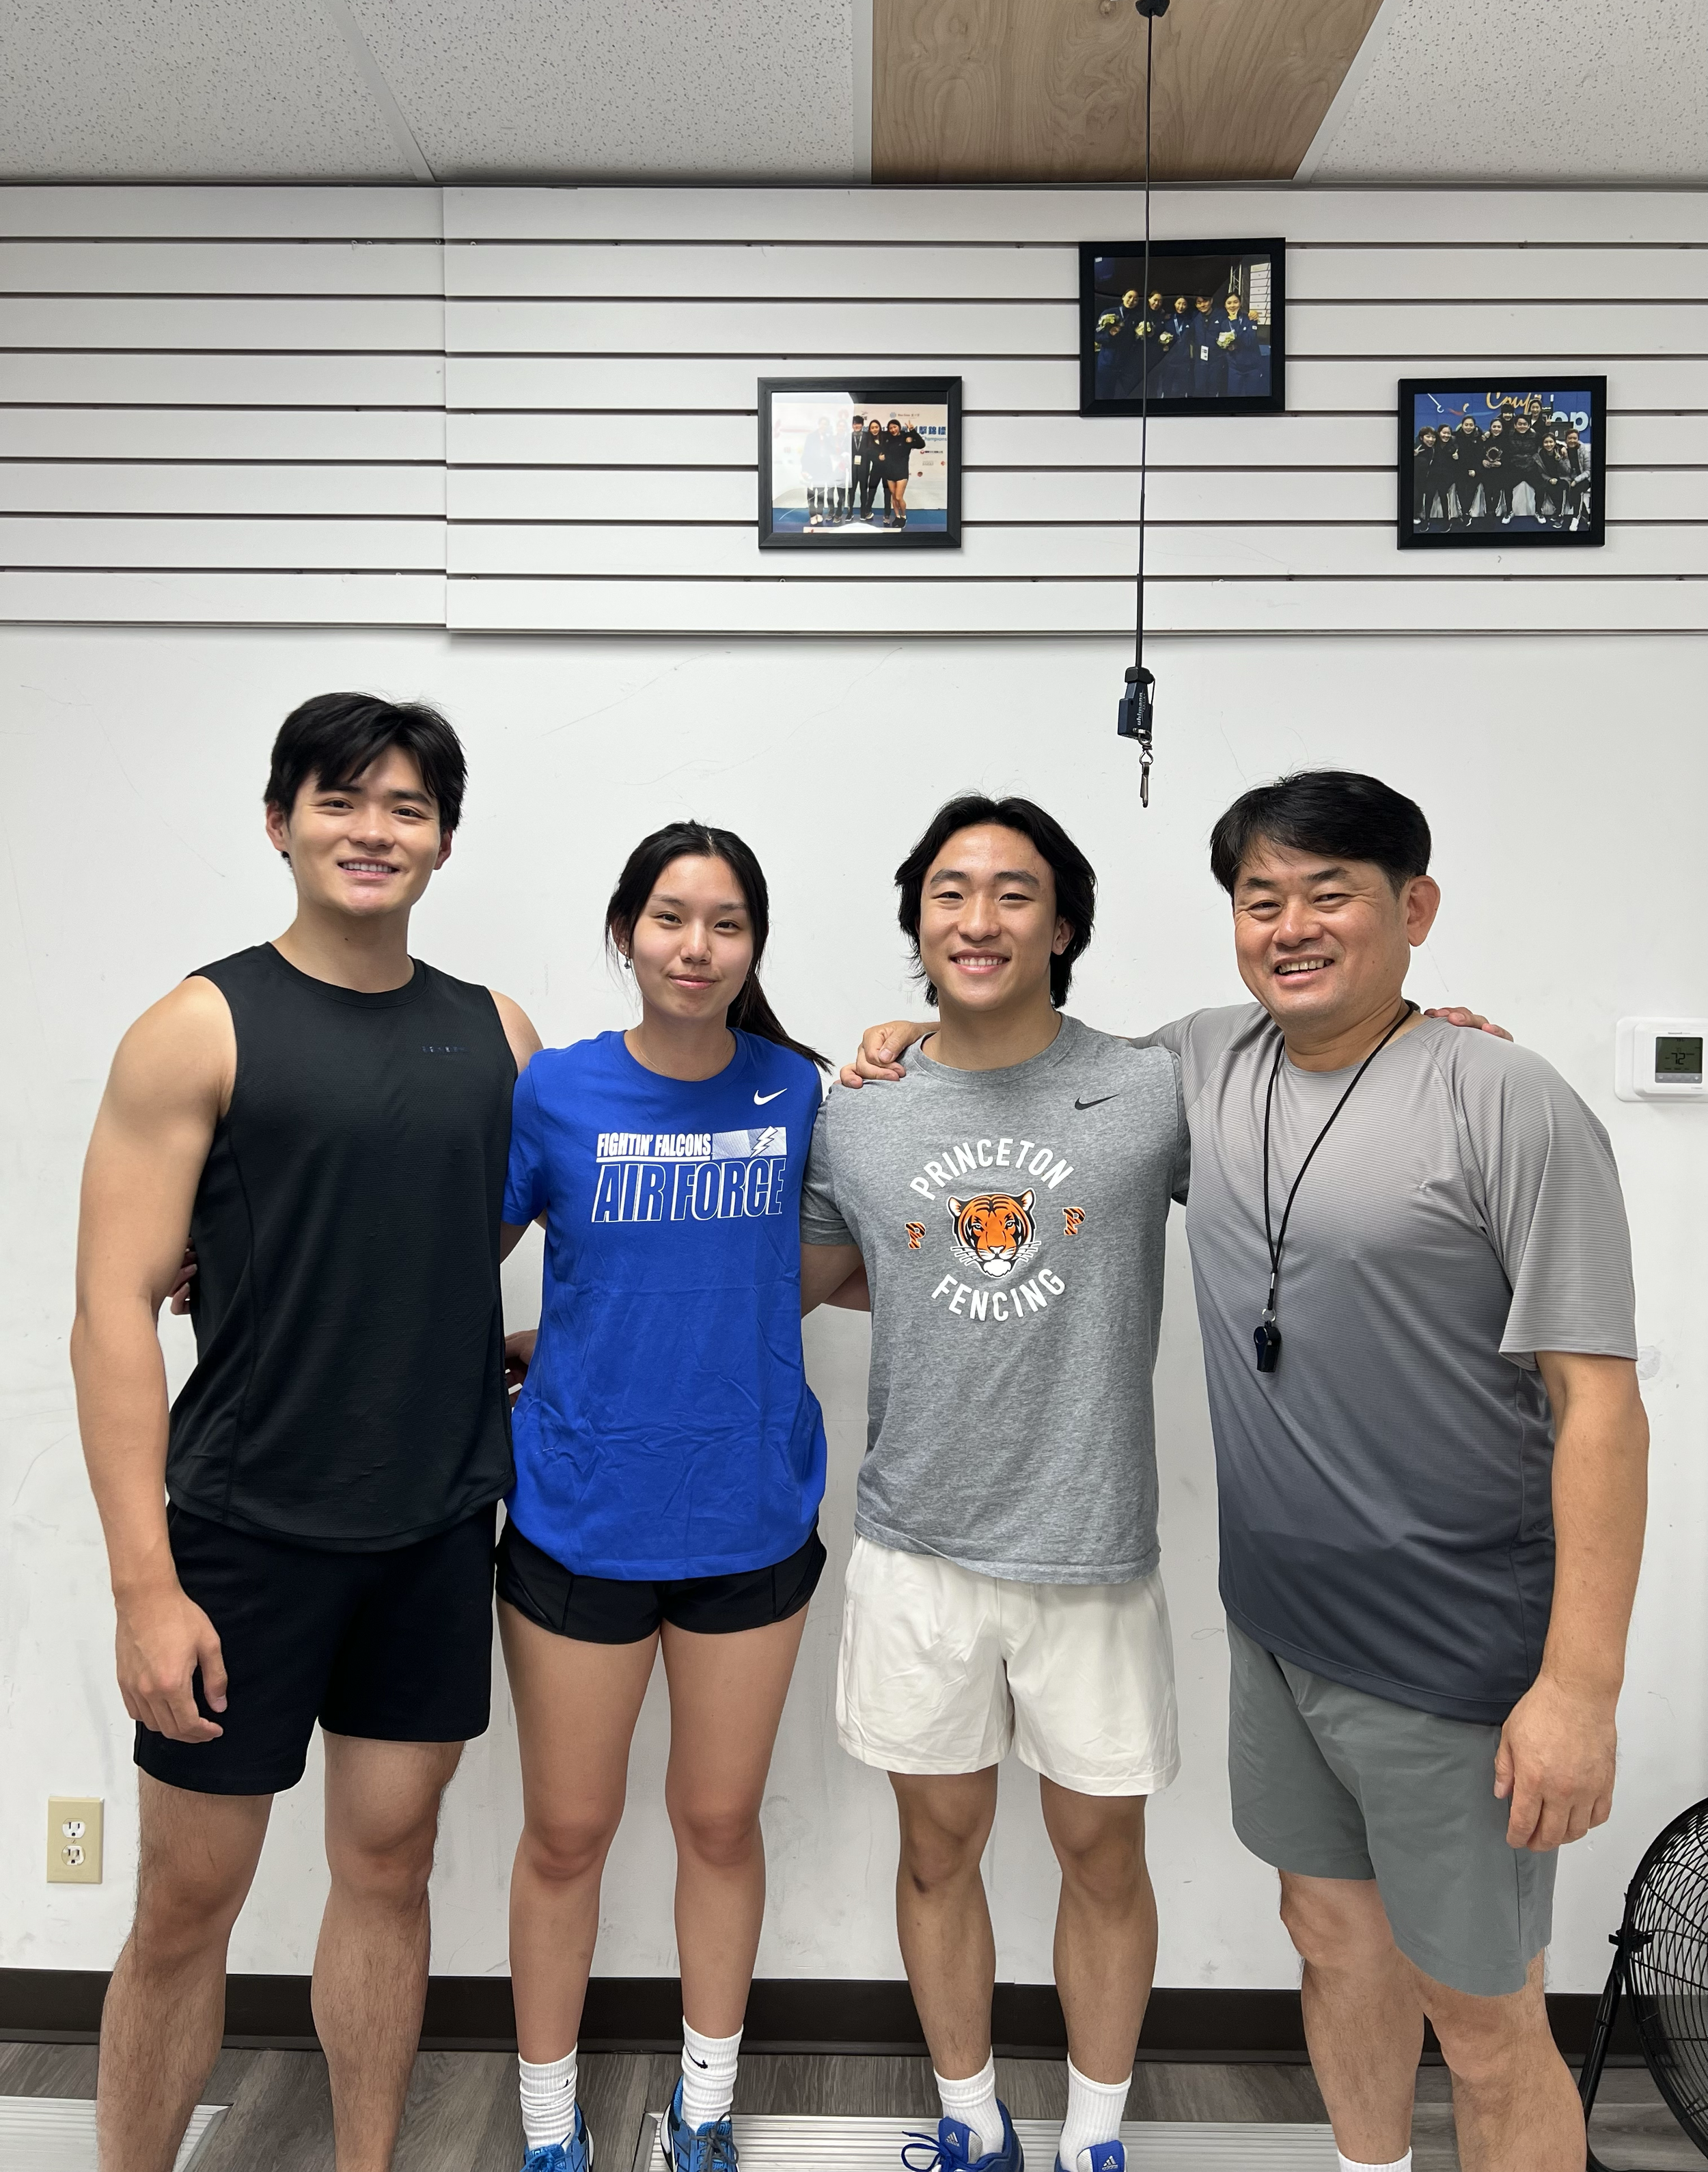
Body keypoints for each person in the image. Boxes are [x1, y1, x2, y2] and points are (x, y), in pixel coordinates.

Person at [850, 769, 1647, 2172]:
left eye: (1326, 892)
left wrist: (1576, 1686)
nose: (1287, 924)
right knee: (1333, 1944)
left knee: (1481, 2008)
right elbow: (1020, 1071)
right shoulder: (1203, 1063)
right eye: (1258, 896)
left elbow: (1598, 1406)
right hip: (1277, 1626)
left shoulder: (1504, 1097)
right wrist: (910, 1036)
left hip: (1452, 1639)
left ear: (1415, 910)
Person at [72, 692, 540, 2172]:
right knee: (183, 1905)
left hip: (426, 1528)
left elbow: (519, 1227)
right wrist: (146, 1584)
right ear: (281, 821)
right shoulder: (196, 1025)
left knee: (389, 1871)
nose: (373, 829)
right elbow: (110, 1317)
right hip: (240, 1538)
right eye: (341, 800)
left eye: (406, 807)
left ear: (444, 841)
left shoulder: (498, 1034)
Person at [797, 797, 1190, 2172]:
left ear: (1061, 923)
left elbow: (1307, 1102)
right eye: (950, 891)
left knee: (1101, 1857)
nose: (978, 918)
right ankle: (971, 2121)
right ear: (916, 921)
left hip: (1089, 1547)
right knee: (934, 1849)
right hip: (918, 1546)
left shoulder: (1151, 1087)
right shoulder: (861, 1112)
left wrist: (1447, 1045)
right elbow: (777, 1281)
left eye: (1012, 892)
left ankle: (1093, 2138)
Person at [497, 823, 833, 2172]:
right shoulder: (553, 1093)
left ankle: (703, 2105)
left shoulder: (803, 1089)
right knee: (566, 1833)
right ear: (625, 929)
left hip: (746, 1512)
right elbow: (428, 1243)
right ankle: (542, 2122)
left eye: (728, 922)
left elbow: (876, 1230)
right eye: (671, 917)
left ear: (753, 944)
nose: (697, 947)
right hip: (581, 1509)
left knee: (715, 1822)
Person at [881, 414, 928, 528]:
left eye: (895, 427)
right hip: (889, 472)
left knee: (898, 497)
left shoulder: (906, 437)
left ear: (899, 427)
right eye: (891, 428)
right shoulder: (888, 439)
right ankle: (897, 516)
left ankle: (903, 517)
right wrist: (882, 455)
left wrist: (912, 431)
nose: (893, 430)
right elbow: (884, 451)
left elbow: (922, 444)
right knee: (893, 496)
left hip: (902, 472)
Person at [1219, 294, 1267, 399]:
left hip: (1252, 368)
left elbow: (1249, 341)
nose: (1232, 306)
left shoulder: (1250, 319)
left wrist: (1235, 321)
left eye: (1235, 302)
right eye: (1229, 303)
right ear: (1225, 306)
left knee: (1251, 399)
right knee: (1233, 398)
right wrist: (1228, 347)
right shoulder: (1224, 323)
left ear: (1240, 304)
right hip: (1234, 368)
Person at [801, 416, 838, 530]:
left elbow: (832, 453)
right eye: (822, 424)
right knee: (811, 495)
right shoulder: (811, 437)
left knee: (821, 495)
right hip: (812, 471)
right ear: (819, 425)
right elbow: (805, 454)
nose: (824, 426)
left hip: (824, 472)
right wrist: (804, 470)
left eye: (826, 425)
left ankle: (819, 514)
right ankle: (812, 515)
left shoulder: (828, 438)